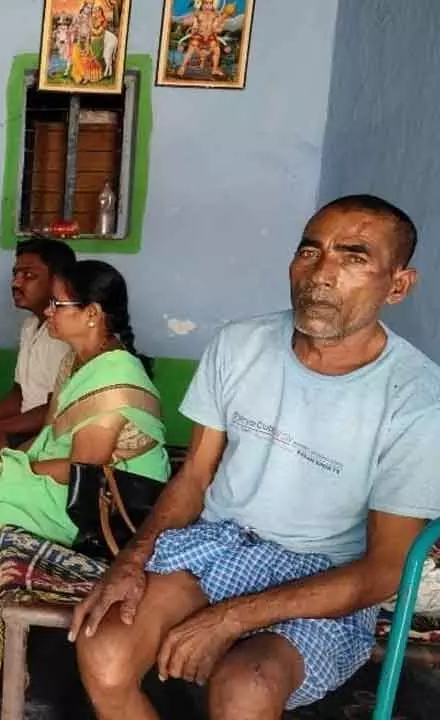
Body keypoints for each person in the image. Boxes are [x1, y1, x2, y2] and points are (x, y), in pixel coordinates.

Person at [72, 194, 440, 718]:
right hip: (219, 545)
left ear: (398, 285)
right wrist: (130, 563)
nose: (322, 274)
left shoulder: (418, 397)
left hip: (325, 574)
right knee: (103, 651)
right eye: (310, 252)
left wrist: (229, 619)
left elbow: (383, 571)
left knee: (248, 686)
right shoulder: (239, 345)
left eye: (353, 257)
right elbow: (194, 476)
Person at [0, 259, 170, 703]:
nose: (49, 312)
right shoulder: (80, 362)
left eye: (59, 305)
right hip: (80, 488)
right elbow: (48, 442)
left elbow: (82, 470)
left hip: (110, 510)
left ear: (92, 314)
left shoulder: (117, 376)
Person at [0, 237, 76, 455]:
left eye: (29, 275)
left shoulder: (66, 336)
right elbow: (20, 395)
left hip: (50, 431)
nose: (16, 283)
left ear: (57, 282)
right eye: (15, 274)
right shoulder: (30, 327)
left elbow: (53, 410)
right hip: (25, 425)